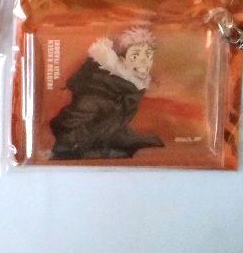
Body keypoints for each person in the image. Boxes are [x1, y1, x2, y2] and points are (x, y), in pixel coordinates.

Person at [50, 27, 164, 160]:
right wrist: (74, 148)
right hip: (77, 147)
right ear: (121, 59)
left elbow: (110, 122)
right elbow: (66, 125)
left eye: (148, 55)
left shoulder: (127, 88)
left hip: (104, 138)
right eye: (135, 56)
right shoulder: (99, 91)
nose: (144, 61)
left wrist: (123, 137)